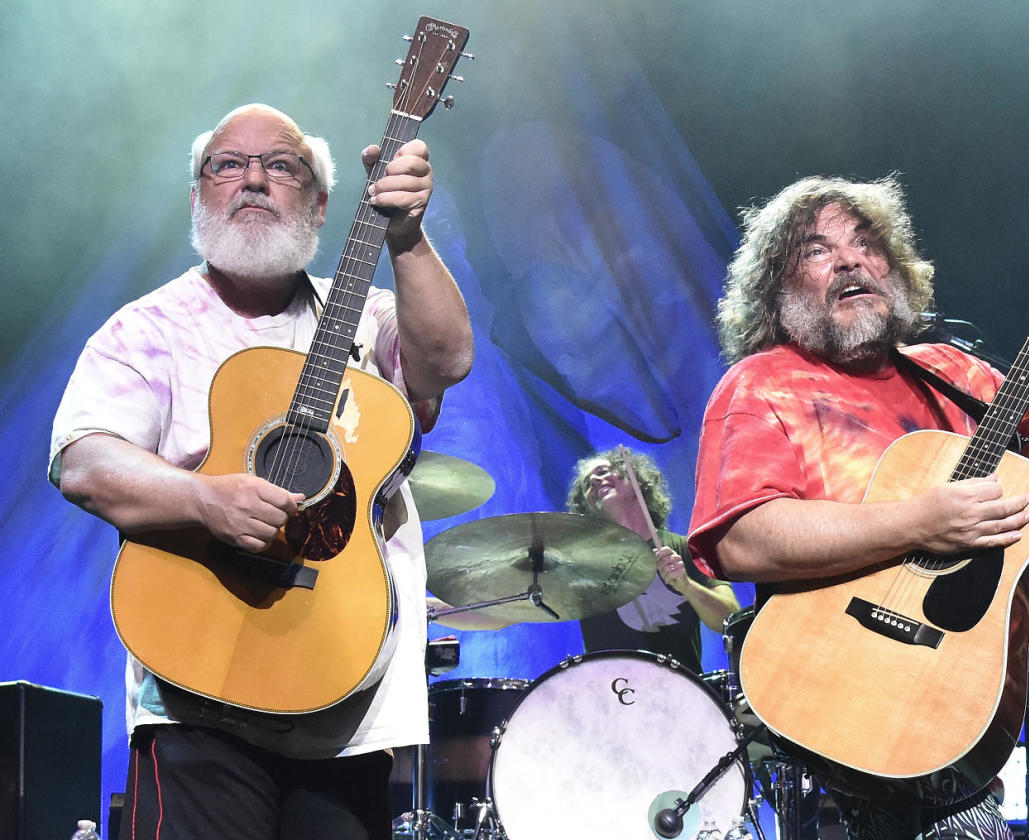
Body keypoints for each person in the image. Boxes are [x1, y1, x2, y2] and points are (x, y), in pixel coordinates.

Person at [49, 103, 473, 839]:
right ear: (197, 195)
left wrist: (404, 237)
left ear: (318, 204)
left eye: (281, 166)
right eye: (226, 165)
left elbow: (445, 364)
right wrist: (202, 498)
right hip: (195, 694)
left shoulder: (371, 318)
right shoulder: (147, 329)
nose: (252, 181)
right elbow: (84, 461)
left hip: (345, 695)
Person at [687, 175, 1029, 840]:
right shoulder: (761, 384)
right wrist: (919, 522)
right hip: (822, 718)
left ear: (894, 269)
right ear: (778, 289)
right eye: (816, 251)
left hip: (949, 723)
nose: (850, 260)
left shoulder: (954, 371)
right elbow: (743, 540)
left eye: (867, 245)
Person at [567, 447, 739, 673]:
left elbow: (729, 618)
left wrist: (687, 586)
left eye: (602, 471)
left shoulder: (683, 548)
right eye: (587, 484)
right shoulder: (586, 567)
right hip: (612, 694)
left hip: (685, 689)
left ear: (636, 479)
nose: (595, 481)